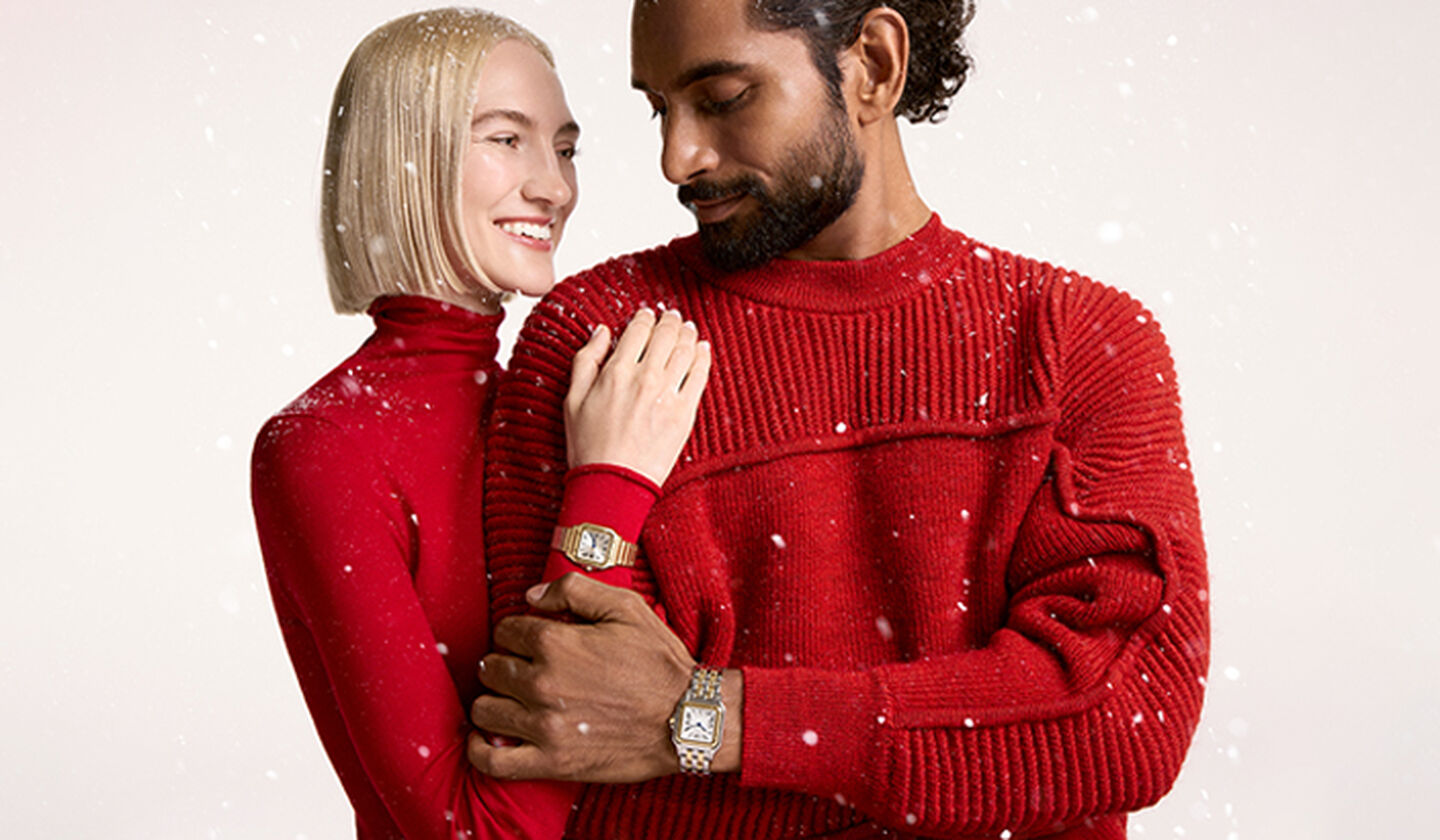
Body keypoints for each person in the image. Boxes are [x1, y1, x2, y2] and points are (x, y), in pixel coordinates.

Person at [469, 1, 1210, 838]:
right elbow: (569, 721)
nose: (679, 158)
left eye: (722, 97)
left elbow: (1123, 721)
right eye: (659, 109)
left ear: (875, 65)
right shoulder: (600, 335)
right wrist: (946, 737)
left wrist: (709, 718)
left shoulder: (1075, 340)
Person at [249, 9, 710, 839]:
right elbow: (475, 829)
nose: (555, 186)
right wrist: (610, 489)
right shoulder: (323, 447)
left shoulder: (556, 398)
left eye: (566, 149)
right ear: (404, 156)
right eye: (507, 139)